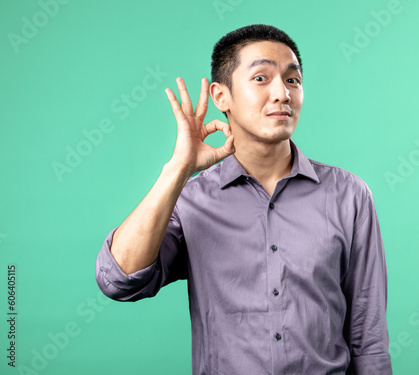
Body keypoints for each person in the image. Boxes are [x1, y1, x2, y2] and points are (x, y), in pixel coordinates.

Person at [95, 24, 392, 375]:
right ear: (222, 97)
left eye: (292, 80)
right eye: (262, 78)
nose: (282, 93)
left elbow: (367, 334)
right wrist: (178, 169)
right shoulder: (190, 201)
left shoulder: (349, 195)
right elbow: (119, 280)